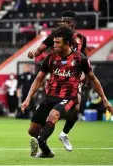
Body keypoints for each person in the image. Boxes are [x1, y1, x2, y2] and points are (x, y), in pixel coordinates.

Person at [21, 26, 113, 158]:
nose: (55, 45)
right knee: (33, 130)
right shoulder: (50, 58)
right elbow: (38, 79)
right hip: (50, 96)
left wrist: (104, 100)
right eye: (54, 42)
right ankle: (46, 151)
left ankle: (41, 142)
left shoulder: (80, 59)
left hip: (69, 97)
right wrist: (28, 98)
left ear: (67, 43)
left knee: (54, 115)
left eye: (58, 43)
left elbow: (93, 79)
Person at [27, 10, 88, 151]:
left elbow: (83, 56)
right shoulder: (55, 35)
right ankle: (43, 129)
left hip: (73, 76)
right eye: (63, 21)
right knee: (50, 107)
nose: (65, 24)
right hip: (56, 71)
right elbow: (41, 48)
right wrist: (33, 53)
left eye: (68, 22)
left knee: (76, 108)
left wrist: (84, 74)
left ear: (74, 23)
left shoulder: (81, 39)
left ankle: (64, 134)